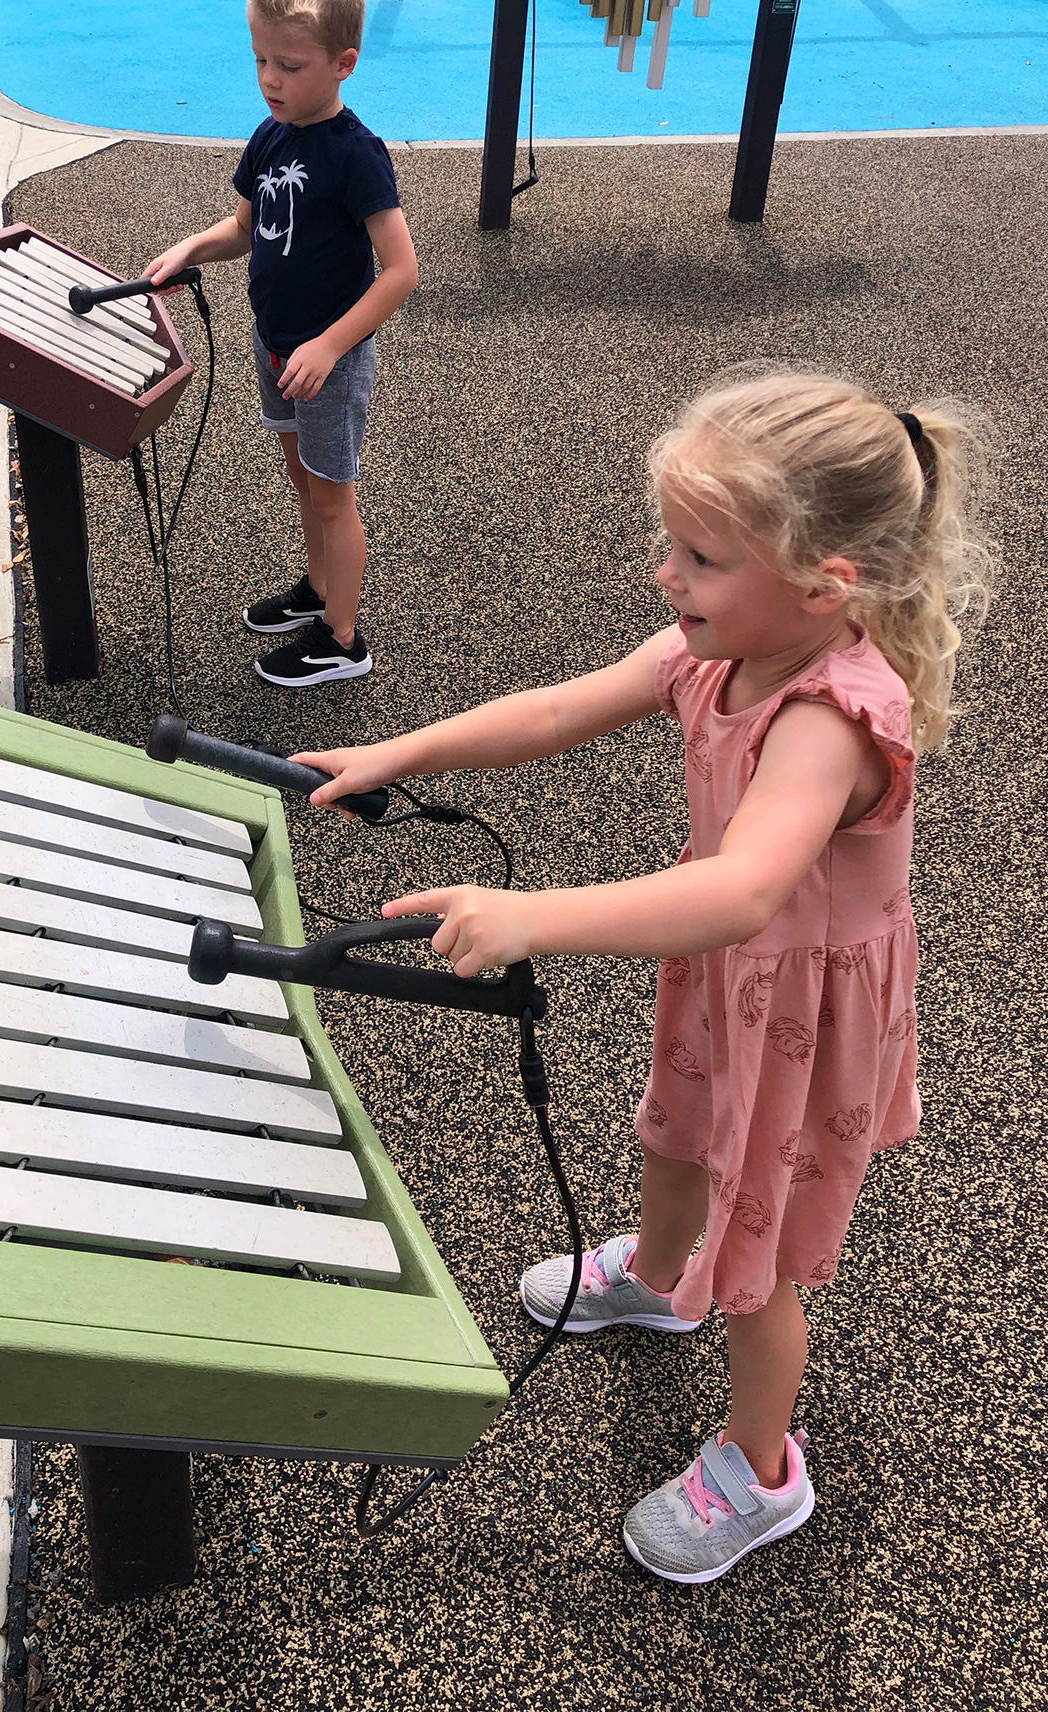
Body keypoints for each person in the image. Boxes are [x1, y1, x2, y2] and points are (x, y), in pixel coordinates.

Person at [297, 372, 991, 1581]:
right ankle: (658, 1278)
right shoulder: (715, 649)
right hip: (731, 975)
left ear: (828, 582)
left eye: (702, 557)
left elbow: (745, 888)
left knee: (758, 1257)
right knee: (671, 1133)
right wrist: (395, 748)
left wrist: (528, 917)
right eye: (670, 545)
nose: (670, 577)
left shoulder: (830, 717)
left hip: (803, 1003)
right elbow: (560, 710)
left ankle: (762, 1466)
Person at [144, 0, 413, 690]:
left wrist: (330, 346)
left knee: (332, 492)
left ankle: (342, 638)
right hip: (277, 346)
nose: (270, 79)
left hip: (328, 355)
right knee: (303, 479)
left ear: (343, 63)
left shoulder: (357, 155)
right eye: (261, 59)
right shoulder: (269, 137)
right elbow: (244, 228)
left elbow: (401, 271)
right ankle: (319, 590)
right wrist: (190, 249)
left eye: (290, 66)